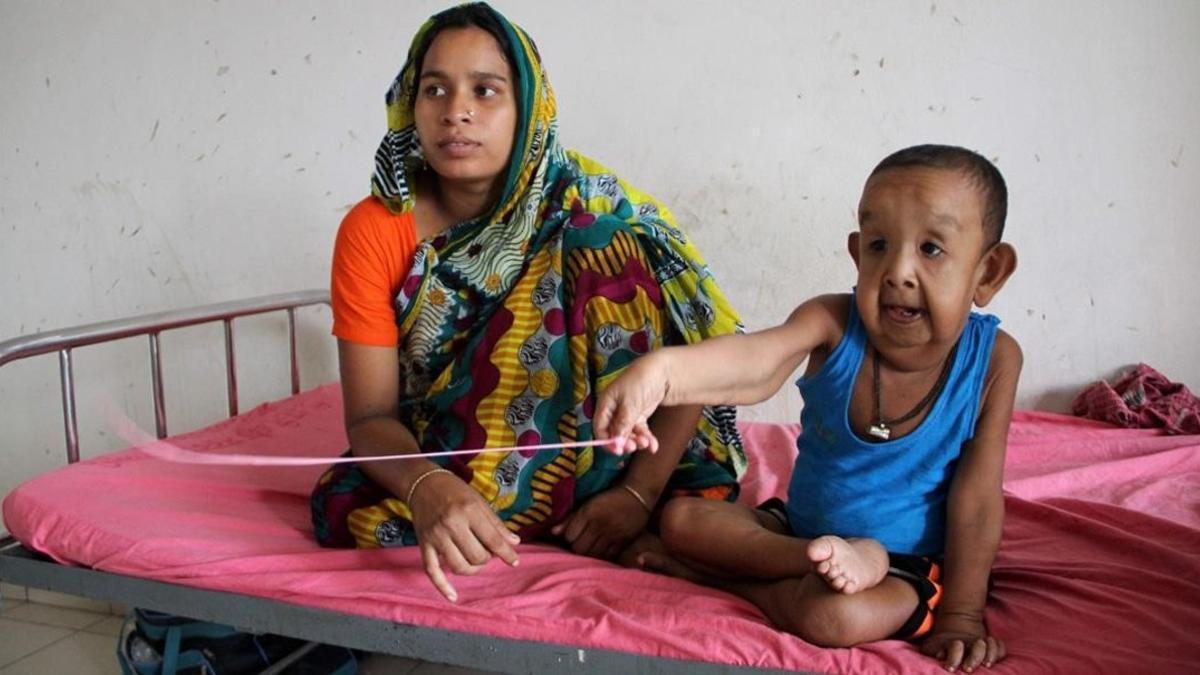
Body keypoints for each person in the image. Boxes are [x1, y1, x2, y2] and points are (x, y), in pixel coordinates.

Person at [309, 2, 747, 604]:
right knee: (351, 511)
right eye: (434, 89)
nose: (456, 110)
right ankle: (554, 519)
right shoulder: (377, 228)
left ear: (528, 110)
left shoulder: (592, 203)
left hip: (611, 462)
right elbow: (370, 419)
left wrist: (639, 494)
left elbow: (700, 357)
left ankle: (615, 511)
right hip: (459, 451)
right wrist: (427, 485)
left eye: (485, 90)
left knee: (603, 244)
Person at [596, 145, 1020, 672]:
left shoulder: (994, 362)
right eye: (879, 245)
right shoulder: (833, 322)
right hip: (796, 535)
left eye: (932, 249)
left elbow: (978, 500)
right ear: (856, 252)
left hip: (905, 567)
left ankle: (720, 577)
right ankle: (808, 564)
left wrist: (961, 614)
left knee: (834, 619)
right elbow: (759, 361)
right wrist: (663, 371)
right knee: (682, 519)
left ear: (988, 273)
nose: (898, 271)